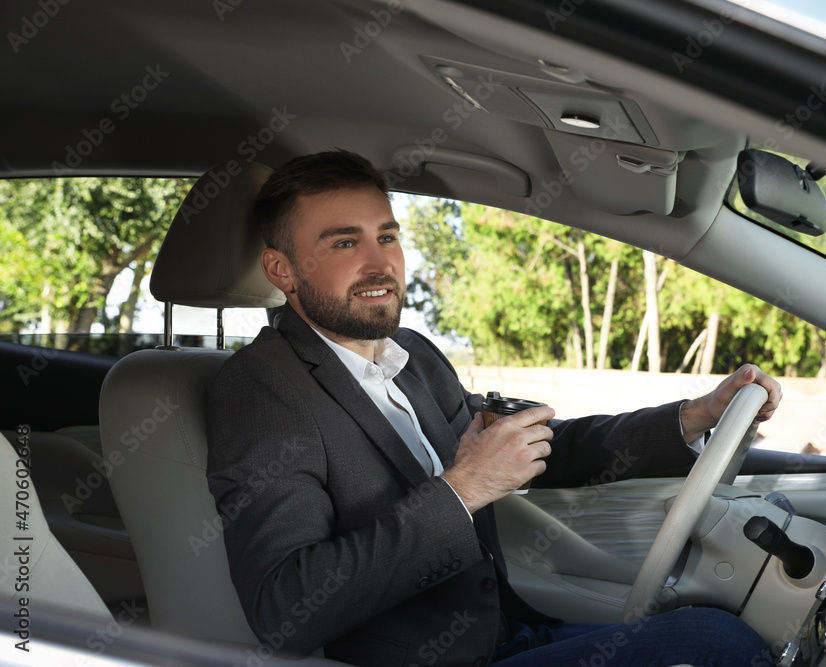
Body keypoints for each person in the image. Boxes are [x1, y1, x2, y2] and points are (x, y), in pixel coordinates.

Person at [206, 150, 781, 667]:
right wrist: (465, 489)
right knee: (717, 647)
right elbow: (287, 610)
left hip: (506, 632)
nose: (380, 264)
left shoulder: (416, 357)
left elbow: (535, 449)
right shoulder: (260, 391)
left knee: (720, 632)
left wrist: (694, 415)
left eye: (386, 236)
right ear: (282, 270)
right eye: (343, 242)